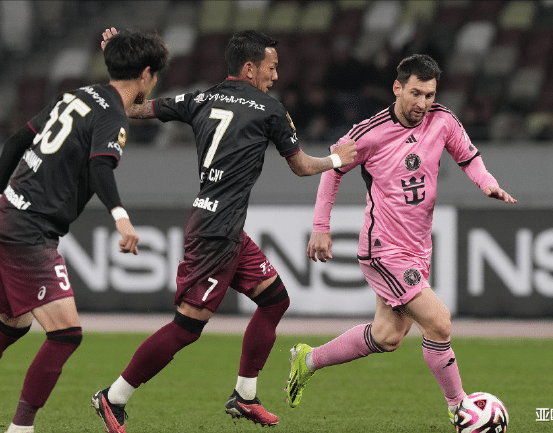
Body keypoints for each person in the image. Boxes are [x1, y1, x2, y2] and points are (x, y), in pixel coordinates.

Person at [92, 28, 356, 432]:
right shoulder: (268, 109)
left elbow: (138, 109)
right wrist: (336, 159)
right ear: (249, 68)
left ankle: (245, 396)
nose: (276, 75)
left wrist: (121, 71)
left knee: (275, 300)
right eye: (271, 67)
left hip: (219, 225)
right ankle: (113, 397)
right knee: (186, 328)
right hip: (217, 233)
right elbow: (302, 166)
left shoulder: (200, 98)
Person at [286, 54, 517, 427]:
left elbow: (469, 157)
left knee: (387, 336)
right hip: (383, 249)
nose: (423, 103)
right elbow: (331, 170)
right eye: (416, 93)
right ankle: (460, 408)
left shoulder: (442, 120)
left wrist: (487, 183)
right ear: (397, 88)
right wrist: (321, 226)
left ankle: (308, 359)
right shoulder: (369, 133)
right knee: (439, 323)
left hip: (417, 248)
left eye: (429, 95)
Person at [0, 30, 169, 433]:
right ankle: (21, 429)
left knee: (12, 322)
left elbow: (17, 141)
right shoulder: (111, 113)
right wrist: (120, 216)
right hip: (30, 229)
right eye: (155, 75)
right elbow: (99, 166)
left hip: (9, 211)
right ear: (146, 74)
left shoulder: (76, 95)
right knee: (66, 334)